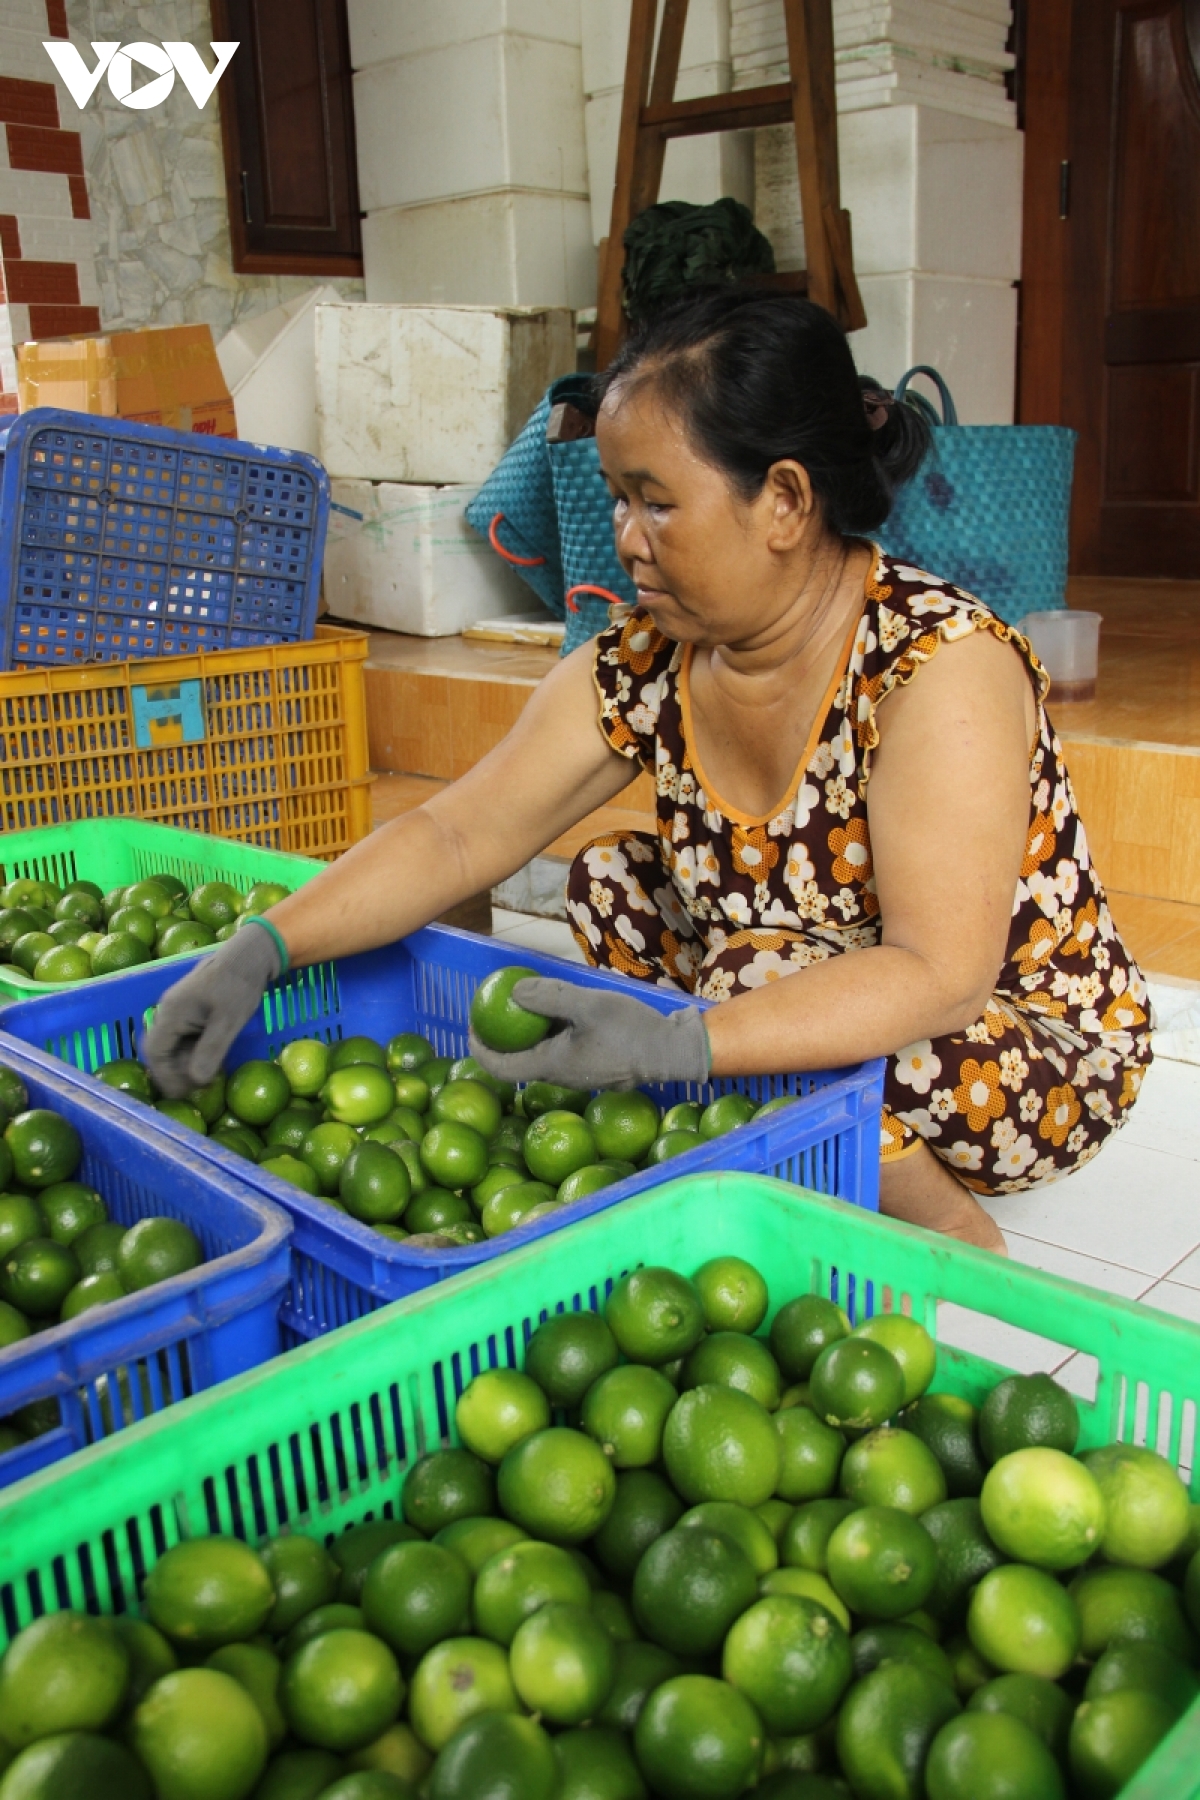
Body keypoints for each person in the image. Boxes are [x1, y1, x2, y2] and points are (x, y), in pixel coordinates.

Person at [144, 289, 1152, 1253]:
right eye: (617, 498)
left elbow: (939, 977)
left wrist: (688, 1044)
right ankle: (755, 1109)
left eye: (657, 503)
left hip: (1012, 1052)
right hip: (791, 975)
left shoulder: (936, 667)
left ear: (787, 502)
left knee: (752, 974)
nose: (627, 541)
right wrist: (265, 945)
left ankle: (940, 1218)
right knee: (613, 882)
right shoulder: (648, 660)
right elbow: (459, 833)